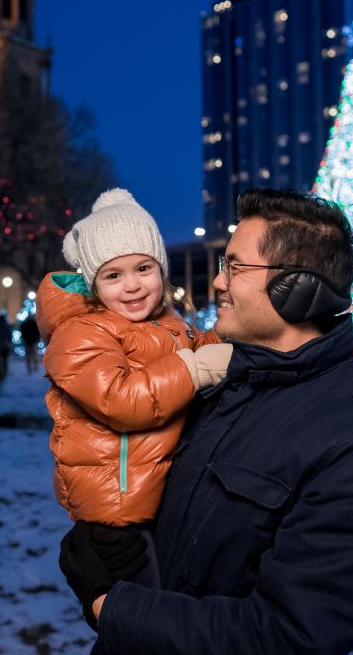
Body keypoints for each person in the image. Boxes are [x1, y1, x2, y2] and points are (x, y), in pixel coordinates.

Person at [58, 188, 353, 654]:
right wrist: (112, 540)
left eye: (235, 267)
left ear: (297, 287)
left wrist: (112, 607)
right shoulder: (215, 380)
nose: (217, 283)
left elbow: (285, 639)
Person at [36, 189, 232, 618]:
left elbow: (203, 344)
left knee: (171, 611)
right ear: (92, 282)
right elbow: (121, 400)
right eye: (113, 275)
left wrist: (232, 340)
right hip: (115, 509)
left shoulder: (167, 324)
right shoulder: (80, 334)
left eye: (143, 268)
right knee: (143, 623)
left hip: (154, 501)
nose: (132, 285)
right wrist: (194, 369)